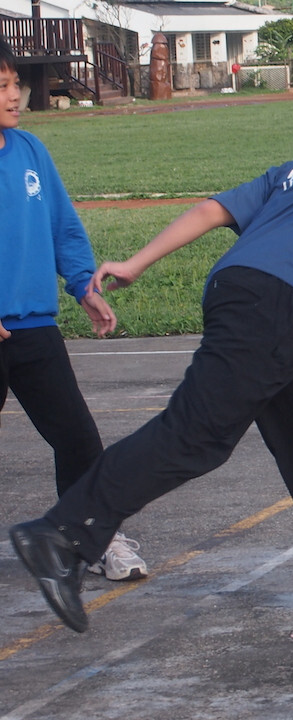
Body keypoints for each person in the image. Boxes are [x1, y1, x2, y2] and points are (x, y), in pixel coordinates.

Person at [9, 82, 293, 633]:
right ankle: (62, 532)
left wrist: (138, 262)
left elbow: (213, 209)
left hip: (243, 291)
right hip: (275, 309)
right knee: (197, 435)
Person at [0, 37, 149, 583]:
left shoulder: (30, 150)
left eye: (16, 84)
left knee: (79, 439)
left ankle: (96, 537)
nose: (16, 96)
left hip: (33, 328)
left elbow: (62, 225)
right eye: (3, 87)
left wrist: (82, 285)